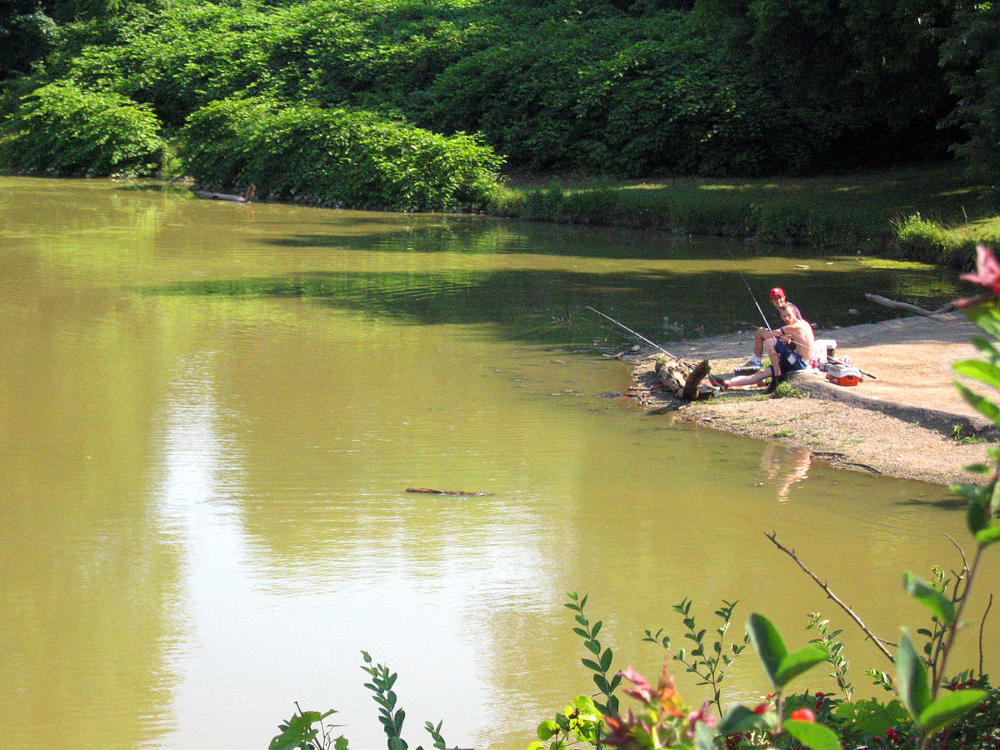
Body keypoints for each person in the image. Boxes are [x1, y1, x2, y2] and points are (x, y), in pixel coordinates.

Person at [714, 304, 815, 391]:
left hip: (799, 363)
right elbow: (798, 339)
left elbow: (768, 335)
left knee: (770, 341)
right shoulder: (803, 323)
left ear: (794, 312)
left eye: (789, 315)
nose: (787, 318)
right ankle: (725, 383)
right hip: (795, 360)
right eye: (784, 316)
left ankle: (777, 375)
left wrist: (761, 331)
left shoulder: (794, 327)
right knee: (761, 374)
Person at [742, 287, 804, 370]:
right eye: (775, 299)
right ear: (771, 301)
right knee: (760, 332)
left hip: (792, 341)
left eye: (779, 297)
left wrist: (788, 336)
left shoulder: (790, 309)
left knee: (767, 339)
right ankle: (756, 361)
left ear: (784, 297)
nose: (778, 300)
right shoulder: (779, 310)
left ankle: (771, 365)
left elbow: (800, 328)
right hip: (784, 336)